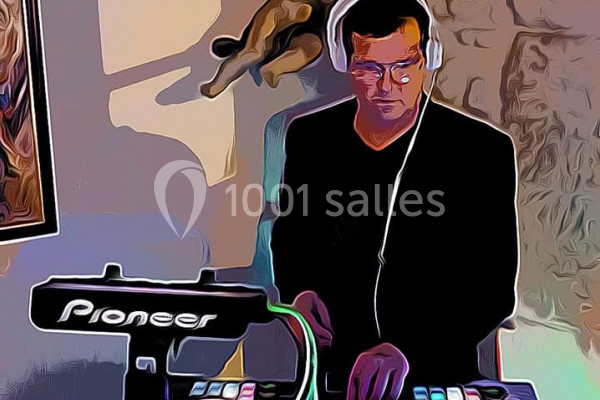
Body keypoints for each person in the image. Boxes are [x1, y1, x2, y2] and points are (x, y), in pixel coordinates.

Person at [269, 0, 519, 399]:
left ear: (427, 60)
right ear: (345, 62)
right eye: (369, 68)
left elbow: (493, 288)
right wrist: (300, 294)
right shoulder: (311, 137)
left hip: (437, 374)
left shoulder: (481, 151)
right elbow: (292, 238)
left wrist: (408, 350)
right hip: (334, 375)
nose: (386, 86)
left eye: (403, 66)